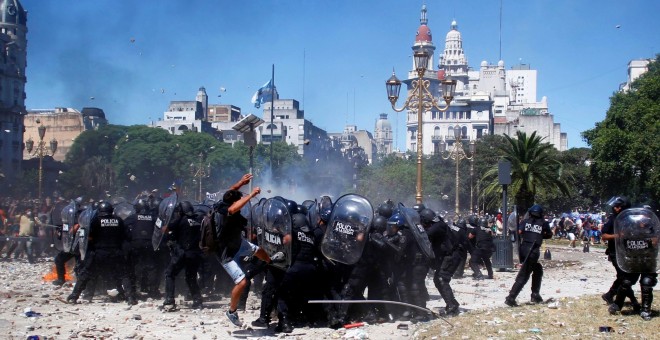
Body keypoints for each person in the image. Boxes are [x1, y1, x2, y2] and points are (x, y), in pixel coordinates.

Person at [216, 174, 282, 327]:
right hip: (227, 251)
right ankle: (232, 312)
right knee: (242, 282)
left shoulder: (223, 201)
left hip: (238, 243)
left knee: (259, 251)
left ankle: (271, 262)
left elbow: (230, 193)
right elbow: (233, 208)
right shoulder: (226, 210)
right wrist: (251, 195)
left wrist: (240, 183)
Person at [67, 202, 132, 304]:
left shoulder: (96, 221)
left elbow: (88, 236)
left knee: (85, 274)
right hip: (116, 252)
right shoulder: (119, 220)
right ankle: (130, 298)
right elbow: (125, 235)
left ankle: (74, 296)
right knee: (124, 275)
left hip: (99, 253)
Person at [504, 204, 553, 306]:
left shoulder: (525, 222)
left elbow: (519, 232)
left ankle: (535, 294)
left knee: (537, 269)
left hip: (523, 249)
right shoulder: (543, 223)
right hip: (533, 250)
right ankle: (511, 297)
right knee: (524, 275)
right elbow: (549, 234)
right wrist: (540, 234)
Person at [601, 196, 640, 314]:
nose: (615, 208)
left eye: (618, 206)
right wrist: (618, 236)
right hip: (615, 253)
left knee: (623, 277)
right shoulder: (613, 219)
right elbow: (604, 236)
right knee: (624, 278)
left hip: (629, 252)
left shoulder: (632, 220)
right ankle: (633, 301)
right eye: (615, 206)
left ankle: (609, 294)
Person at [162, 201, 204, 310]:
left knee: (169, 274)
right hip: (195, 254)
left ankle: (169, 301)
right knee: (191, 277)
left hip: (182, 253)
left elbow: (166, 229)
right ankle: (197, 301)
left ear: (181, 211)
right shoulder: (198, 220)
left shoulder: (180, 220)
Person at [422, 208, 460, 316]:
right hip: (448, 256)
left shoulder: (438, 226)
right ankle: (452, 303)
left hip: (451, 256)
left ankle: (452, 306)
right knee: (438, 280)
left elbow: (426, 235)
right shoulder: (438, 223)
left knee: (441, 279)